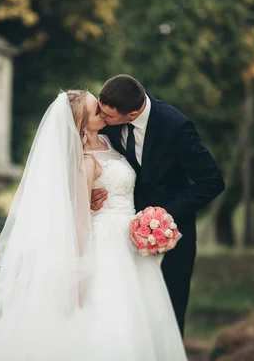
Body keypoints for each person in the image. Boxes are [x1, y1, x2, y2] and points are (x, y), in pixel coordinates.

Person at [0, 89, 188, 360]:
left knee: (143, 316)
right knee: (112, 320)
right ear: (82, 125)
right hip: (106, 247)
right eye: (97, 111)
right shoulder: (85, 160)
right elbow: (80, 219)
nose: (105, 112)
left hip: (129, 241)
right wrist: (79, 274)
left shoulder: (111, 142)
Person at [93, 74, 226, 336]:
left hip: (172, 238)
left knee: (168, 314)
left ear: (131, 114)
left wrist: (166, 214)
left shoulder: (175, 125)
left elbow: (212, 181)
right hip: (120, 237)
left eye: (107, 116)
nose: (101, 118)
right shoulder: (105, 122)